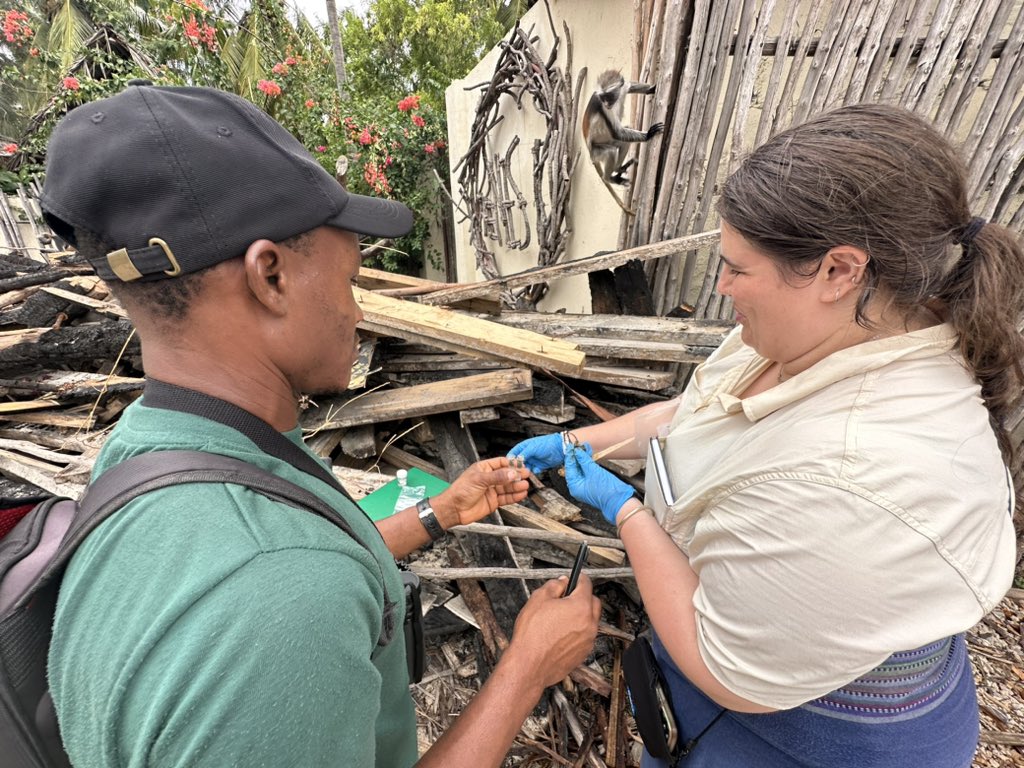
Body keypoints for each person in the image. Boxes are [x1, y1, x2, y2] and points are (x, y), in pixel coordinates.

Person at [39, 82, 600, 768]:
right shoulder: (282, 612)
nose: (359, 312)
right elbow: (285, 574)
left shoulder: (149, 447)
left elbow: (297, 543)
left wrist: (441, 512)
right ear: (269, 276)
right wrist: (526, 669)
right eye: (350, 279)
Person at [510, 103, 1022, 767]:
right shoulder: (823, 333)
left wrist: (627, 512)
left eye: (738, 269)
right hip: (764, 670)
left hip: (803, 733)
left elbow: (721, 665)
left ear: (840, 271)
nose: (721, 288)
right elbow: (698, 415)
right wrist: (582, 443)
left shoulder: (847, 482)